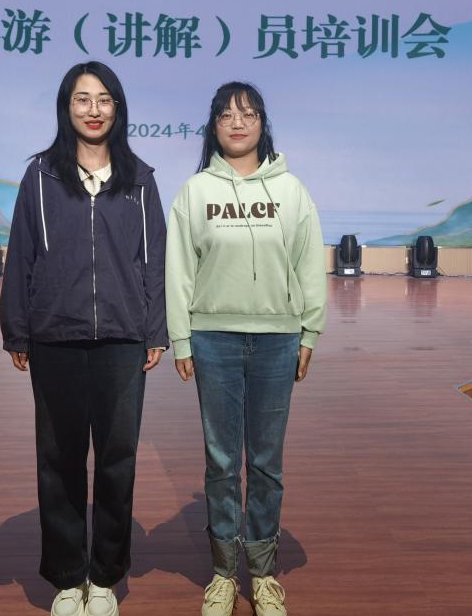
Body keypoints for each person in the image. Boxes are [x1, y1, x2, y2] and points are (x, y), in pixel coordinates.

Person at [1, 61, 167, 616]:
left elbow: (155, 261)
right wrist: (17, 327)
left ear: (117, 107)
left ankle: (105, 577)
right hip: (56, 336)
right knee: (59, 460)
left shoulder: (139, 179)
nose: (93, 110)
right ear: (66, 106)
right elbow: (22, 252)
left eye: (103, 99)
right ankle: (68, 578)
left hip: (122, 338)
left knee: (118, 460)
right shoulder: (41, 176)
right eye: (82, 99)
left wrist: (155, 328)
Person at [165, 82, 327, 616]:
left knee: (266, 461)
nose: (238, 123)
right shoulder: (195, 192)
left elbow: (308, 262)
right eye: (227, 115)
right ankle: (221, 572)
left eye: (249, 114)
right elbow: (178, 269)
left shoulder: (292, 191)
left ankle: (262, 573)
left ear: (263, 124)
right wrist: (181, 337)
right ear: (213, 125)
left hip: (278, 339)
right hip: (213, 339)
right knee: (220, 460)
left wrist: (309, 331)